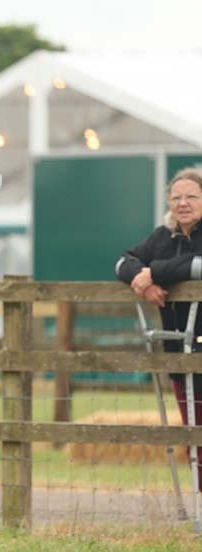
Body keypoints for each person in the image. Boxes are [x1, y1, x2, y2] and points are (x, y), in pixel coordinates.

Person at [116, 167, 202, 487]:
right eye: (176, 197)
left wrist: (155, 272)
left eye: (191, 196)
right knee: (193, 432)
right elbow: (123, 262)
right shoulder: (162, 237)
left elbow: (197, 265)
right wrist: (143, 281)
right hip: (178, 353)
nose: (183, 203)